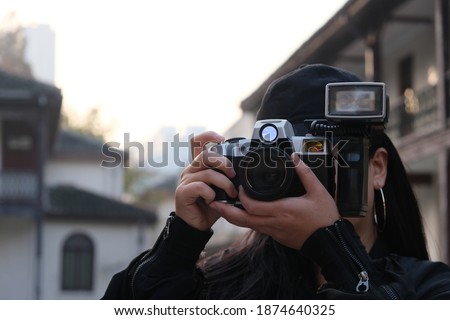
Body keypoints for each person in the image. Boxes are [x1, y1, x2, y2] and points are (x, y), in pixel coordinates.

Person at [102, 64, 450, 299]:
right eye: (285, 161)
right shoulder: (222, 284)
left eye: (321, 157)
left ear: (377, 168)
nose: (308, 178)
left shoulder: (429, 289)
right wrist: (178, 244)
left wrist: (332, 248)